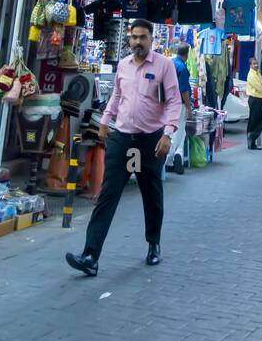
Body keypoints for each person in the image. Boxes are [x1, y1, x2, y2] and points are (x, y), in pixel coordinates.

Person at [66, 20, 181, 276]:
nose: (137, 42)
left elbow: (174, 102)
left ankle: (153, 244)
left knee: (151, 195)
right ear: (129, 40)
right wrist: (105, 122)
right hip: (124, 139)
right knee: (109, 195)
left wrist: (168, 133)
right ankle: (90, 255)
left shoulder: (164, 65)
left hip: (150, 142)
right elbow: (117, 96)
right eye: (133, 37)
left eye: (142, 37)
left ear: (152, 40)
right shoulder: (124, 66)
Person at [169, 41, 193, 169]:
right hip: (180, 104)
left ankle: (177, 155)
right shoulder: (182, 68)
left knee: (178, 132)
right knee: (177, 133)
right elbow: (184, 90)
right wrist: (189, 108)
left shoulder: (171, 63)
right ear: (187, 53)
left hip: (170, 103)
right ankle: (167, 160)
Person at [246, 57, 262, 149]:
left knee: (254, 121)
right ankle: (251, 137)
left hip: (258, 99)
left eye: (256, 63)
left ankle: (251, 142)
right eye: (254, 64)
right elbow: (260, 87)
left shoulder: (257, 73)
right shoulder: (251, 75)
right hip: (254, 99)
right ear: (250, 65)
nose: (256, 65)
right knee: (260, 121)